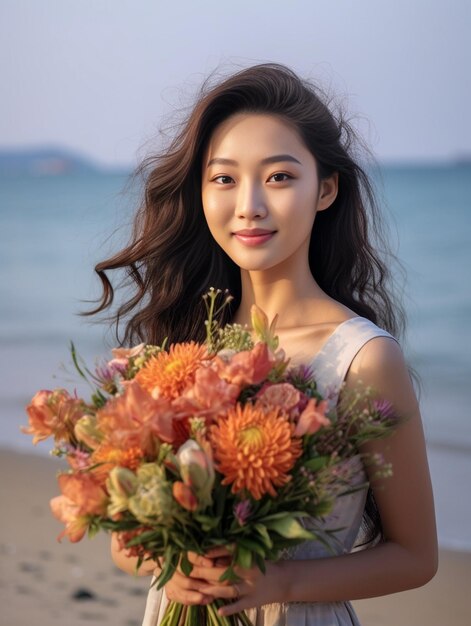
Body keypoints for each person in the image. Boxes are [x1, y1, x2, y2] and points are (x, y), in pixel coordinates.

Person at [91, 63, 438, 625]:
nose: (248, 204)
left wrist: (280, 579)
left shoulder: (363, 358)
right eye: (224, 179)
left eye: (278, 177)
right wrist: (168, 563)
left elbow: (417, 557)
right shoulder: (183, 349)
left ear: (325, 189)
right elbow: (124, 542)